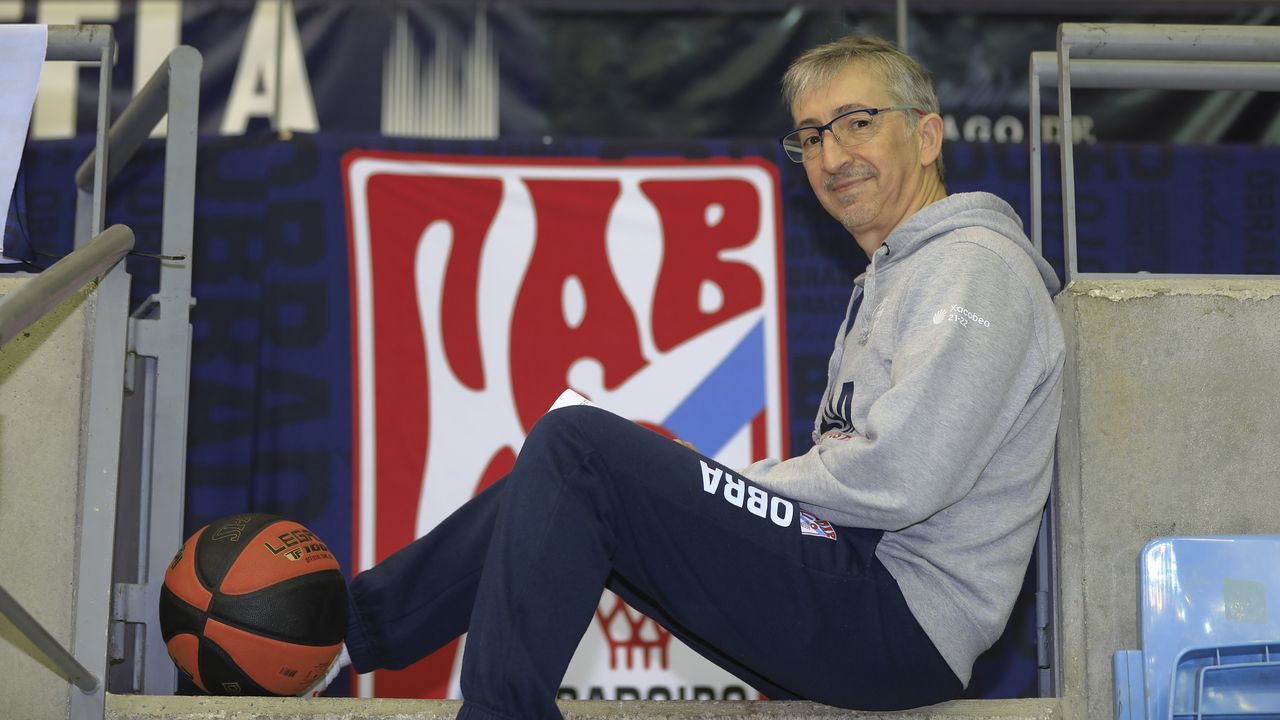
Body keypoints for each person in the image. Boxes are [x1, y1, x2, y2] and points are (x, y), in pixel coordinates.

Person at [333, 34, 1065, 718]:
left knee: (578, 446)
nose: (832, 154)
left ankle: (400, 662)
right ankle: (339, 642)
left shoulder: (974, 267)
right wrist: (715, 489)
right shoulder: (892, 275)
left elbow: (906, 476)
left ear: (927, 135)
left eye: (857, 123)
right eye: (811, 136)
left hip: (899, 620)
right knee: (573, 481)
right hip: (861, 594)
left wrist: (735, 488)